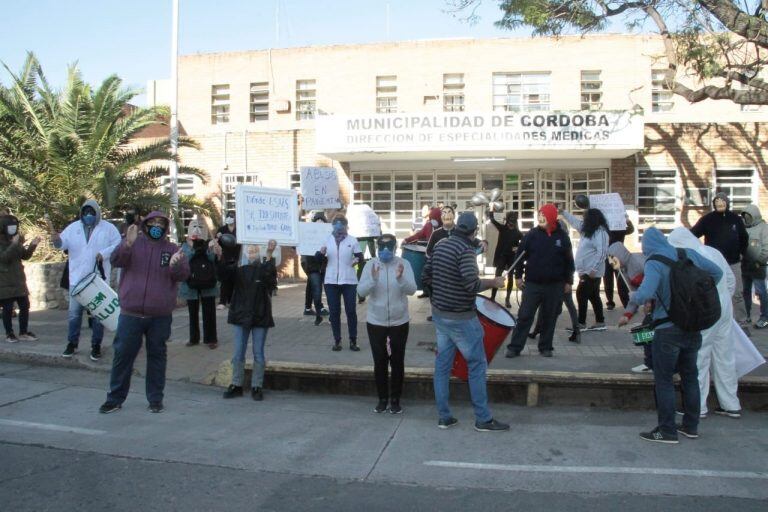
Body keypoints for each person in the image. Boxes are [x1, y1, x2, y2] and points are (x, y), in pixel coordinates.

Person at [629, 227, 722, 443]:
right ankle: (691, 426)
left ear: (647, 247)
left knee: (664, 380)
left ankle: (667, 430)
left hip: (667, 330)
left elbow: (645, 293)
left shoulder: (654, 262)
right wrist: (697, 296)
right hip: (692, 326)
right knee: (690, 377)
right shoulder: (687, 254)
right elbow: (717, 273)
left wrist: (632, 297)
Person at [422, 211, 509, 432]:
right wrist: (494, 282)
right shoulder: (465, 251)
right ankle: (483, 419)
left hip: (441, 316)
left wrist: (440, 295)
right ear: (473, 231)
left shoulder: (441, 244)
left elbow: (426, 274)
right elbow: (472, 285)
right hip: (462, 319)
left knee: (442, 367)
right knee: (477, 365)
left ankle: (444, 417)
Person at [99, 211, 190, 414]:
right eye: (153, 223)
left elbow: (182, 275)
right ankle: (114, 398)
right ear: (146, 225)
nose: (156, 227)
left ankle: (155, 399)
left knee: (157, 357)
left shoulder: (172, 249)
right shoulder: (134, 244)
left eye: (161, 224)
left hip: (159, 316)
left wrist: (177, 264)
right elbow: (116, 260)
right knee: (123, 356)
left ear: (166, 228)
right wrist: (127, 244)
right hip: (131, 314)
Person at [669, 227, 742, 419]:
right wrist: (724, 300)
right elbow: (730, 280)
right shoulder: (713, 252)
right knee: (725, 356)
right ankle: (731, 404)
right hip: (725, 309)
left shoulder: (689, 258)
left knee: (698, 358)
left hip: (704, 312)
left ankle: (697, 406)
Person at [47, 200, 121, 361]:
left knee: (98, 315)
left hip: (98, 281)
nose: (89, 215)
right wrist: (56, 240)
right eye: (86, 212)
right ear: (81, 213)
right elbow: (61, 244)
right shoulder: (73, 228)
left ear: (97, 213)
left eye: (92, 213)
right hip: (77, 279)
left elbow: (118, 245)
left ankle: (96, 346)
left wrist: (104, 253)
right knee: (74, 314)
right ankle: (72, 344)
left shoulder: (108, 228)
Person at [357, 234, 417, 414]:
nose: (385, 251)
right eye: (381, 247)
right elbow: (360, 291)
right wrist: (373, 279)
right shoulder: (370, 265)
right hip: (376, 321)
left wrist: (400, 278)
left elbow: (412, 290)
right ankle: (382, 399)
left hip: (399, 321)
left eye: (388, 247)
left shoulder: (403, 264)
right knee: (380, 360)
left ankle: (396, 399)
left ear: (394, 248)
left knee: (397, 361)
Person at [506, 204, 575, 358]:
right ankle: (515, 347)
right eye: (539, 215)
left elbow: (569, 261)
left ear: (551, 217)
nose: (541, 218)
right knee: (525, 315)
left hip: (555, 285)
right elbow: (519, 257)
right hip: (533, 284)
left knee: (549, 317)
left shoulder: (562, 237)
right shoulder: (531, 235)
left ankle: (545, 346)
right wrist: (518, 276)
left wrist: (568, 281)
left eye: (544, 215)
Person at [222, 242, 278, 401]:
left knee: (258, 353)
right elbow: (225, 274)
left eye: (255, 250)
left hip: (260, 313)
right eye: (249, 250)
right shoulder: (238, 270)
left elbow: (271, 280)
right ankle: (236, 384)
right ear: (245, 252)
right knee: (238, 352)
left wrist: (269, 254)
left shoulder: (264, 268)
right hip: (241, 313)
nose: (252, 253)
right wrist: (222, 253)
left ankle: (257, 386)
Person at [691, 192, 748, 325]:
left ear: (727, 203)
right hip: (713, 263)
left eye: (722, 202)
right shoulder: (707, 219)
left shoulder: (735, 219)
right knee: (714, 291)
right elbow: (693, 234)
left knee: (737, 293)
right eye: (717, 203)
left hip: (733, 262)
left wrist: (742, 253)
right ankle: (717, 321)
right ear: (714, 204)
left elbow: (744, 238)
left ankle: (741, 321)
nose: (719, 205)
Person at [317, 215, 363, 351]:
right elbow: (319, 259)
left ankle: (353, 340)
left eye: (341, 225)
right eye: (336, 225)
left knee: (351, 311)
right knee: (334, 312)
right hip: (331, 281)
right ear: (333, 226)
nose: (339, 228)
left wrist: (355, 260)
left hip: (349, 281)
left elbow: (360, 257)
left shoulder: (352, 240)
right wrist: (321, 253)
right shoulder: (327, 239)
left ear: (346, 226)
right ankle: (337, 341)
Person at [561, 208, 610, 330]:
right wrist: (563, 212)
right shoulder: (587, 230)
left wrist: (594, 269)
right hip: (585, 271)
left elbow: (602, 252)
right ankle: (600, 322)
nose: (583, 220)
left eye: (585, 217)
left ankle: (581, 323)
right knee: (594, 296)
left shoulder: (601, 233)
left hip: (592, 272)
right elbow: (575, 222)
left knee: (581, 294)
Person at [610, 242, 651, 373]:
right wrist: (627, 315)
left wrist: (649, 300)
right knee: (646, 331)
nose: (611, 262)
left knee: (648, 330)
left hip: (658, 302)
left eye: (612, 257)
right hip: (651, 304)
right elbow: (634, 296)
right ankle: (650, 362)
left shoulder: (638, 261)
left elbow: (653, 280)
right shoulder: (624, 271)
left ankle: (651, 363)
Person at [180, 219, 221, 349]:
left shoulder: (208, 243)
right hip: (191, 281)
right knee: (193, 311)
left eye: (200, 227)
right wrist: (192, 247)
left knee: (209, 310)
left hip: (207, 280)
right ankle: (194, 338)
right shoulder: (185, 245)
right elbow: (185, 259)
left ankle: (211, 339)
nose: (197, 229)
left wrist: (213, 249)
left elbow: (213, 259)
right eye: (194, 226)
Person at [0, 215, 40, 342]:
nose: (13, 229)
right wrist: (14, 244)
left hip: (19, 281)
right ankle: (9, 334)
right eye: (10, 227)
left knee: (25, 305)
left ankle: (23, 331)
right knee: (7, 309)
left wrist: (33, 245)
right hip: (5, 282)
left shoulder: (16, 240)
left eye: (15, 226)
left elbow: (25, 256)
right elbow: (4, 258)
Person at [486, 210, 523, 308]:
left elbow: (524, 243)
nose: (512, 222)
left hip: (511, 258)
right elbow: (493, 220)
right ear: (507, 220)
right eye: (510, 220)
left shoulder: (517, 233)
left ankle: (507, 299)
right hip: (502, 256)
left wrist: (517, 247)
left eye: (514, 220)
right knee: (498, 275)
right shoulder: (502, 228)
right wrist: (491, 209)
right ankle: (493, 297)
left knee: (510, 278)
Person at [740, 204, 768, 328]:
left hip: (758, 267)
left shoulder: (764, 228)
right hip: (744, 266)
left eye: (748, 216)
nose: (746, 219)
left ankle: (764, 317)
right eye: (745, 216)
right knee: (745, 292)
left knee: (761, 292)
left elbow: (766, 249)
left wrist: (759, 261)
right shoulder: (744, 228)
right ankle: (747, 315)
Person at [301, 211, 328, 324]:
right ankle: (318, 315)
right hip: (313, 268)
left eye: (322, 222)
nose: (319, 224)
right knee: (316, 292)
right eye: (317, 221)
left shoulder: (328, 235)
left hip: (326, 267)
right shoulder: (308, 234)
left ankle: (328, 315)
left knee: (330, 293)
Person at [604, 216, 634, 309]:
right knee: (611, 278)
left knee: (617, 278)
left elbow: (630, 230)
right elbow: (630, 230)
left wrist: (627, 220)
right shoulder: (614, 226)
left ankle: (620, 302)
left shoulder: (618, 226)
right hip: (611, 255)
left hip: (614, 255)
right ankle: (614, 301)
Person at [216, 210, 240, 310]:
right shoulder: (222, 229)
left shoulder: (239, 230)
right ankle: (222, 301)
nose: (230, 218)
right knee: (225, 281)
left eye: (232, 216)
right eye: (228, 216)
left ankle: (232, 301)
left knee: (236, 281)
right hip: (225, 258)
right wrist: (218, 238)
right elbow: (217, 244)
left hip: (237, 257)